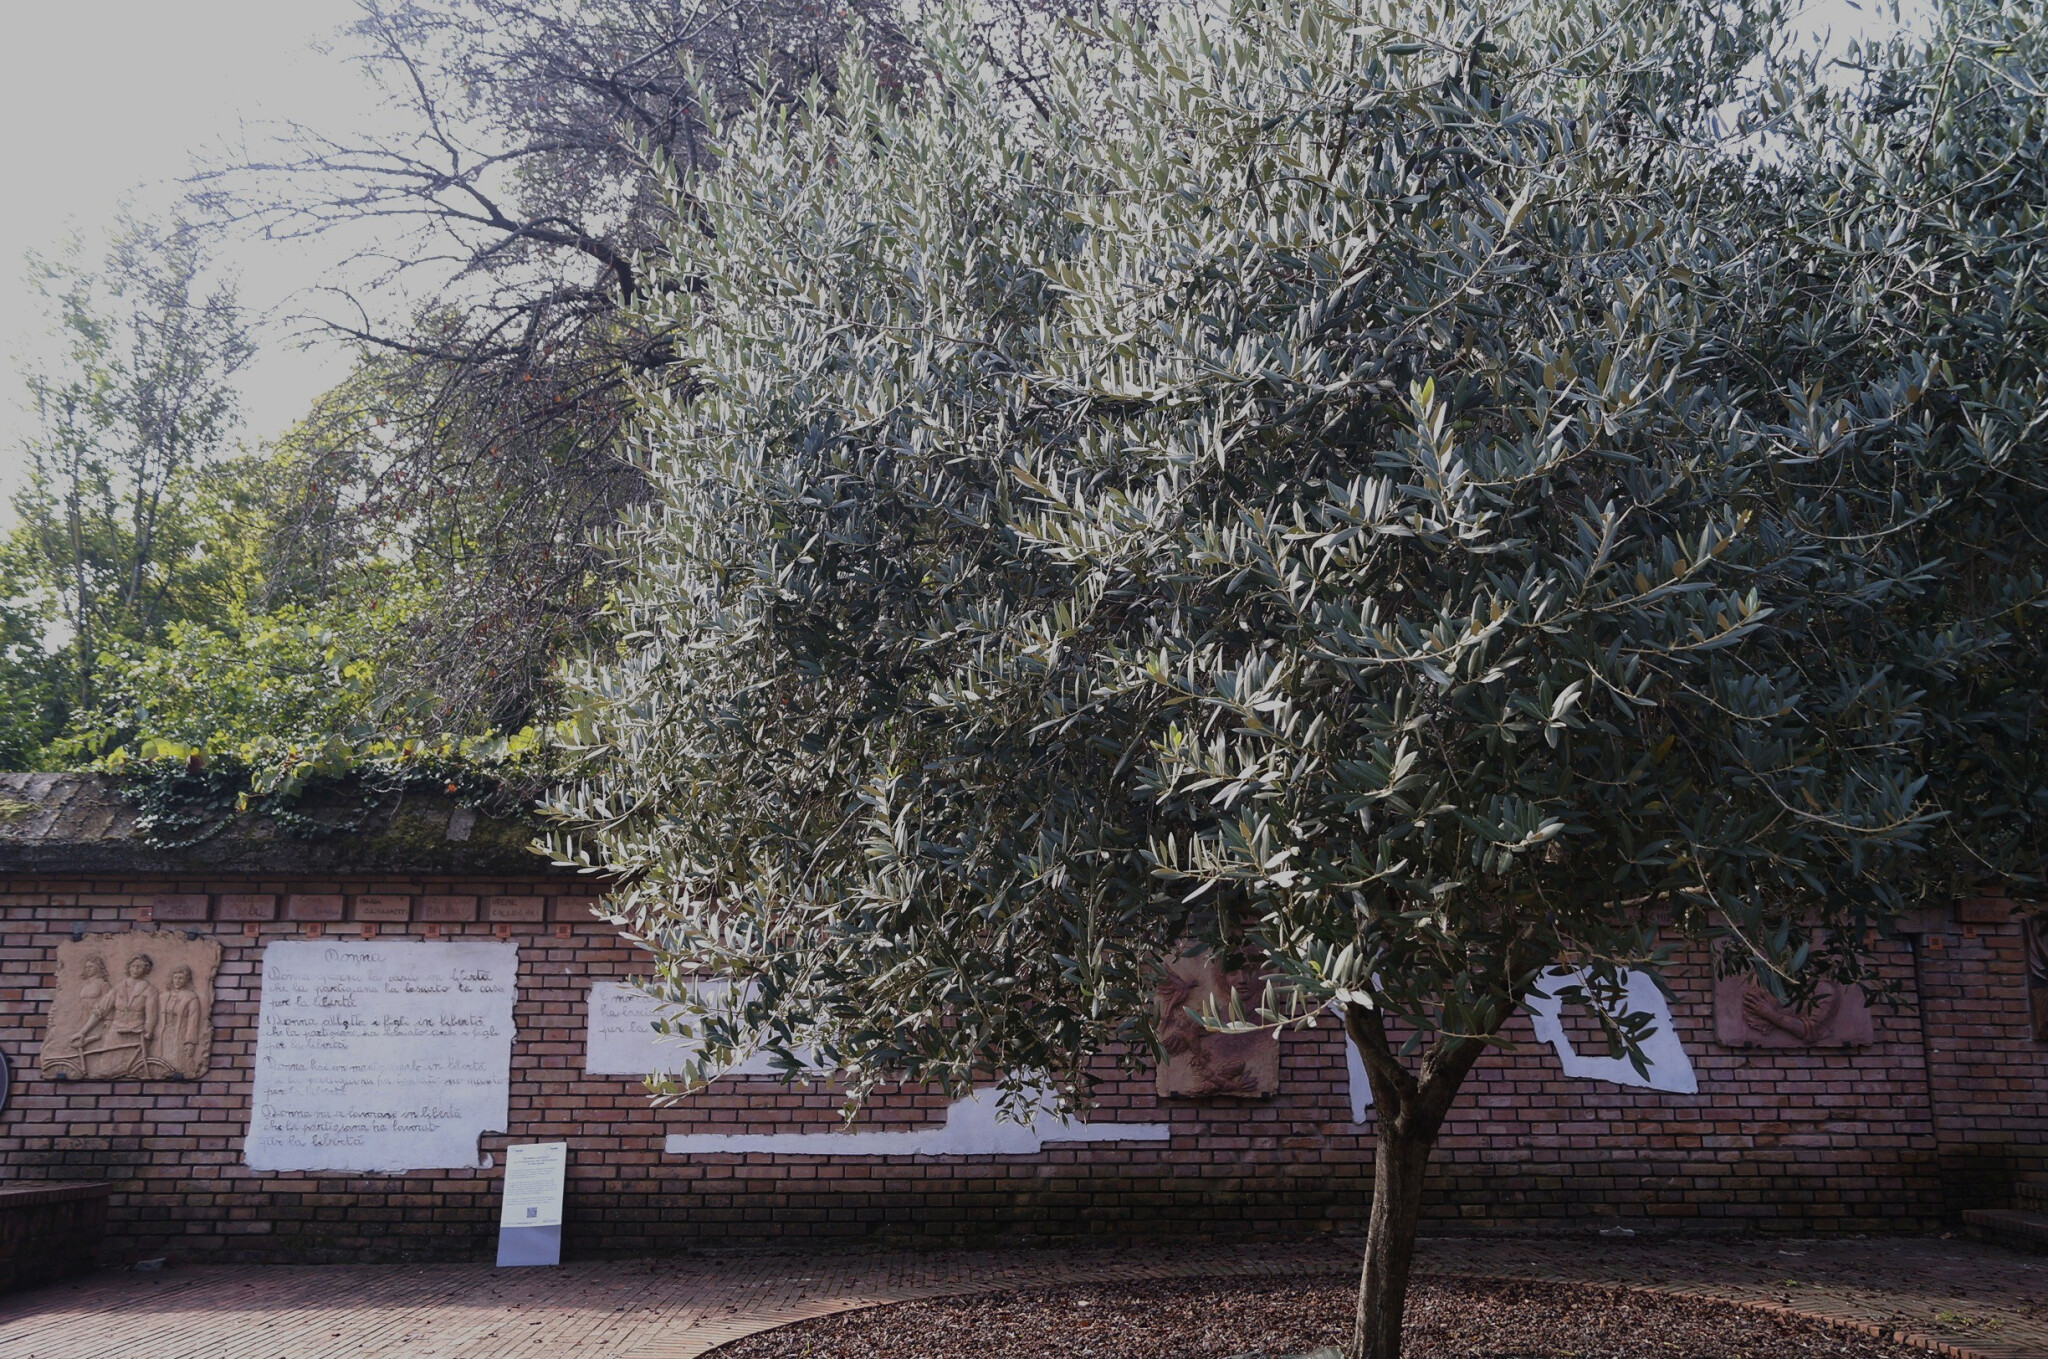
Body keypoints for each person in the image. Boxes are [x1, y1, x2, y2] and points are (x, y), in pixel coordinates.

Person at [157, 964, 204, 1077]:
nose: (177, 981)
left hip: (180, 1034)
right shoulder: (163, 996)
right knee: (161, 1062)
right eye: (175, 978)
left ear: (187, 980)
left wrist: (190, 1042)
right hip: (164, 1033)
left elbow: (193, 1021)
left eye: (181, 978)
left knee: (178, 1063)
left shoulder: (191, 997)